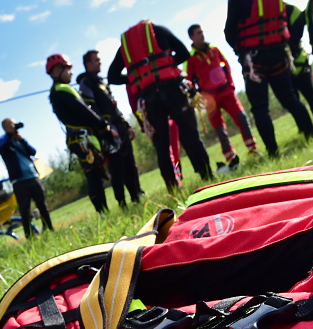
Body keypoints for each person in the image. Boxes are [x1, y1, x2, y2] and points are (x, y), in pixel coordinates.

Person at [222, 0, 313, 155]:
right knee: (290, 98)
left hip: (254, 61)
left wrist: (241, 53)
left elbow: (229, 32)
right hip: (279, 52)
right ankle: (310, 133)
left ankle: (273, 152)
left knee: (260, 108)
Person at [107, 20, 213, 188]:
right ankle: (206, 176)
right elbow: (184, 53)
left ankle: (173, 187)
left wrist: (136, 77)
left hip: (149, 99)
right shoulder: (159, 30)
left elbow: (112, 76)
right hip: (173, 90)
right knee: (190, 135)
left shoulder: (125, 48)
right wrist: (167, 66)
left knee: (162, 145)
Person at [44, 53, 111, 213]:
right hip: (82, 139)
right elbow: (83, 111)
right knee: (94, 176)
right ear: (57, 70)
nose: (71, 73)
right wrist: (102, 124)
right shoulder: (61, 90)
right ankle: (102, 212)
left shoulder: (58, 91)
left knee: (95, 175)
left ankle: (103, 211)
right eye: (68, 69)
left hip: (78, 138)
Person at [76, 50, 143, 207]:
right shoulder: (86, 83)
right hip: (108, 132)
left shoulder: (101, 82)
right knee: (117, 169)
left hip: (120, 127)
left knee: (130, 165)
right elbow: (91, 109)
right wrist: (106, 128)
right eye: (96, 60)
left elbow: (113, 106)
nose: (100, 62)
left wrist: (126, 125)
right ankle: (122, 203)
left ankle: (136, 196)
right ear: (88, 64)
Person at [186, 24, 257, 161]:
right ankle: (231, 158)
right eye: (198, 33)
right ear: (192, 37)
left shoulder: (215, 50)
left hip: (226, 91)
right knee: (220, 129)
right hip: (209, 98)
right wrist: (196, 96)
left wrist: (230, 85)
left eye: (202, 31)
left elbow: (226, 67)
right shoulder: (190, 59)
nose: (202, 34)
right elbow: (189, 81)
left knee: (241, 117)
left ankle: (253, 149)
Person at [0, 118, 52, 237]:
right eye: (11, 124)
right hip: (19, 181)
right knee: (25, 209)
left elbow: (32, 151)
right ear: (5, 127)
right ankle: (29, 235)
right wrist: (9, 135)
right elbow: (0, 148)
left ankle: (49, 228)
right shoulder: (2, 141)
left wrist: (22, 140)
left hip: (33, 176)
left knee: (42, 204)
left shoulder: (19, 140)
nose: (14, 126)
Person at [285, 2, 313, 125]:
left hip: (299, 62)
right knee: (293, 100)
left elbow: (296, 36)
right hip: (283, 68)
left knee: (309, 94)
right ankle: (304, 128)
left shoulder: (292, 10)